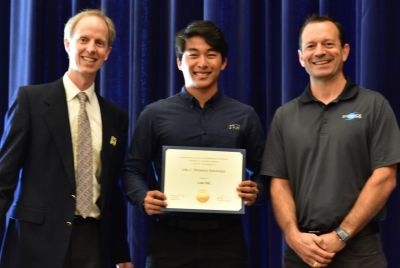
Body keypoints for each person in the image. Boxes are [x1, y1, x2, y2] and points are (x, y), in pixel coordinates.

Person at [261, 14, 400, 268]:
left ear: (344, 51)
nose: (320, 52)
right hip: (302, 253)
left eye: (328, 44)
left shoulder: (373, 105)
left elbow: (385, 177)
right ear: (301, 57)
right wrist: (293, 236)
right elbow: (279, 183)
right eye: (311, 46)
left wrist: (342, 234)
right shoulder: (285, 115)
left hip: (360, 252)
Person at [123, 20, 265, 268]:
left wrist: (258, 190)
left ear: (223, 62)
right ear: (179, 62)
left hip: (226, 241)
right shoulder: (155, 114)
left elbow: (266, 171)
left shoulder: (244, 115)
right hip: (170, 239)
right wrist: (142, 196)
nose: (202, 63)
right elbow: (131, 169)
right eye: (193, 55)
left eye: (211, 55)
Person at [0, 9, 133, 268]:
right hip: (35, 241)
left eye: (100, 43)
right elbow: (4, 177)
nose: (91, 49)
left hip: (92, 242)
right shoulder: (31, 100)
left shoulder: (115, 116)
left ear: (107, 53)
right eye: (84, 40)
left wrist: (121, 253)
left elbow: (110, 190)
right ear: (67, 43)